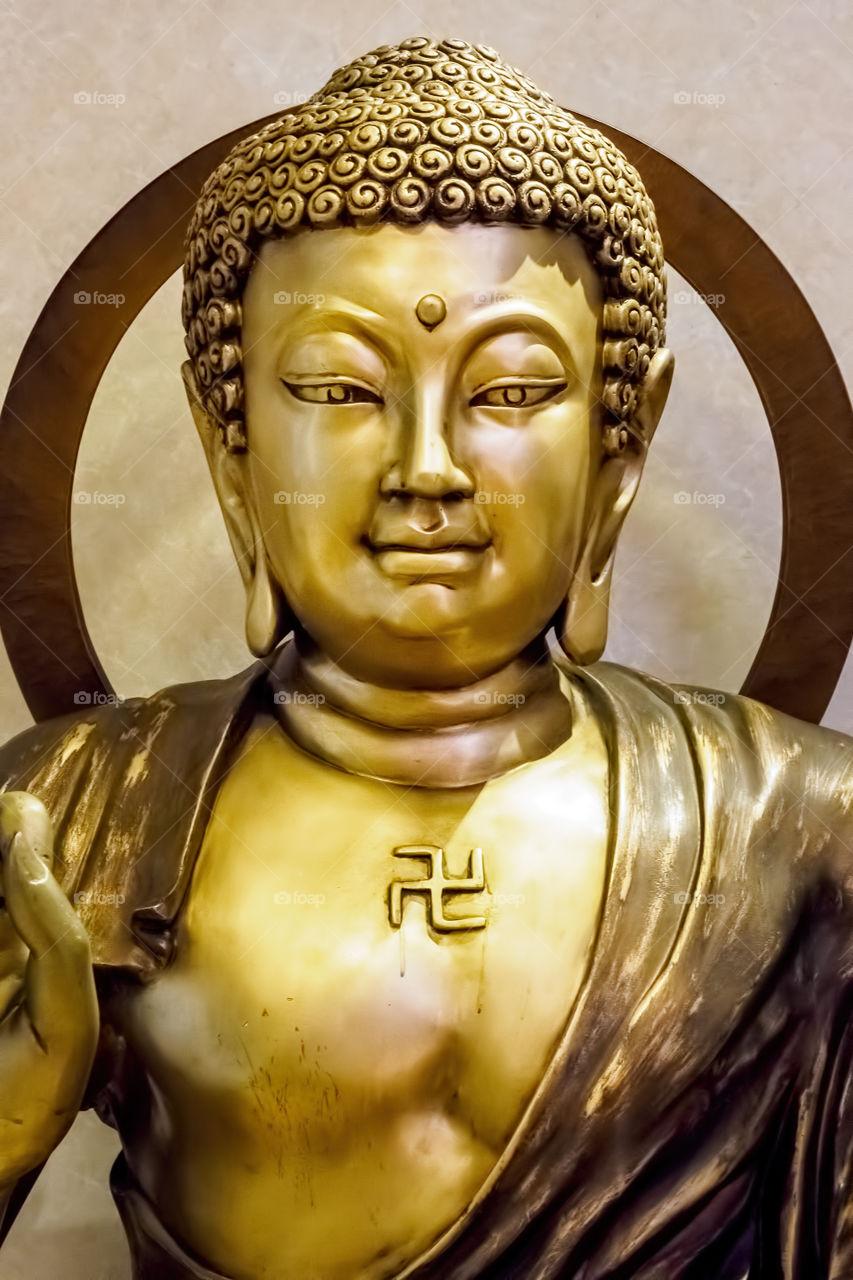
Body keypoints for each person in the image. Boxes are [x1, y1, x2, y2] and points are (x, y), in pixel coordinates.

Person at [1, 35, 852, 1280]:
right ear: (230, 445)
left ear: (620, 448)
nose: (427, 469)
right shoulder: (71, 822)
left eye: (509, 392)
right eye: (341, 390)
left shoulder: (803, 834)